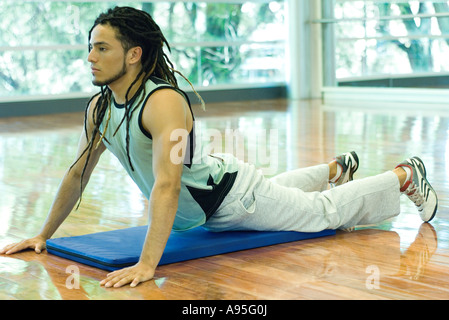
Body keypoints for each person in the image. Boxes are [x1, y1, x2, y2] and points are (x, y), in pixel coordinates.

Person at [0, 6, 438, 288]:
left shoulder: (163, 103)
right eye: (89, 48)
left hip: (231, 200)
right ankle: (333, 170)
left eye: (101, 48)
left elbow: (168, 187)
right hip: (212, 198)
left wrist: (148, 265)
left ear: (133, 54)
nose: (90, 57)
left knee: (322, 215)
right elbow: (78, 172)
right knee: (278, 193)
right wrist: (42, 235)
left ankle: (404, 176)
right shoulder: (99, 107)